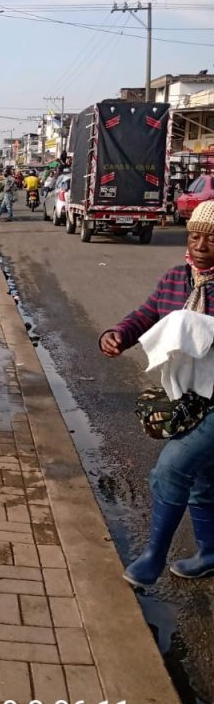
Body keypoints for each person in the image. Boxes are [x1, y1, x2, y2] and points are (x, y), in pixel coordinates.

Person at [100, 201, 214, 586]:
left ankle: (152, 559)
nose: (201, 245)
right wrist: (117, 334)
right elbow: (146, 315)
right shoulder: (174, 279)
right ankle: (210, 553)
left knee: (170, 470)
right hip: (189, 398)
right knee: (202, 478)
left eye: (212, 239)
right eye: (196, 235)